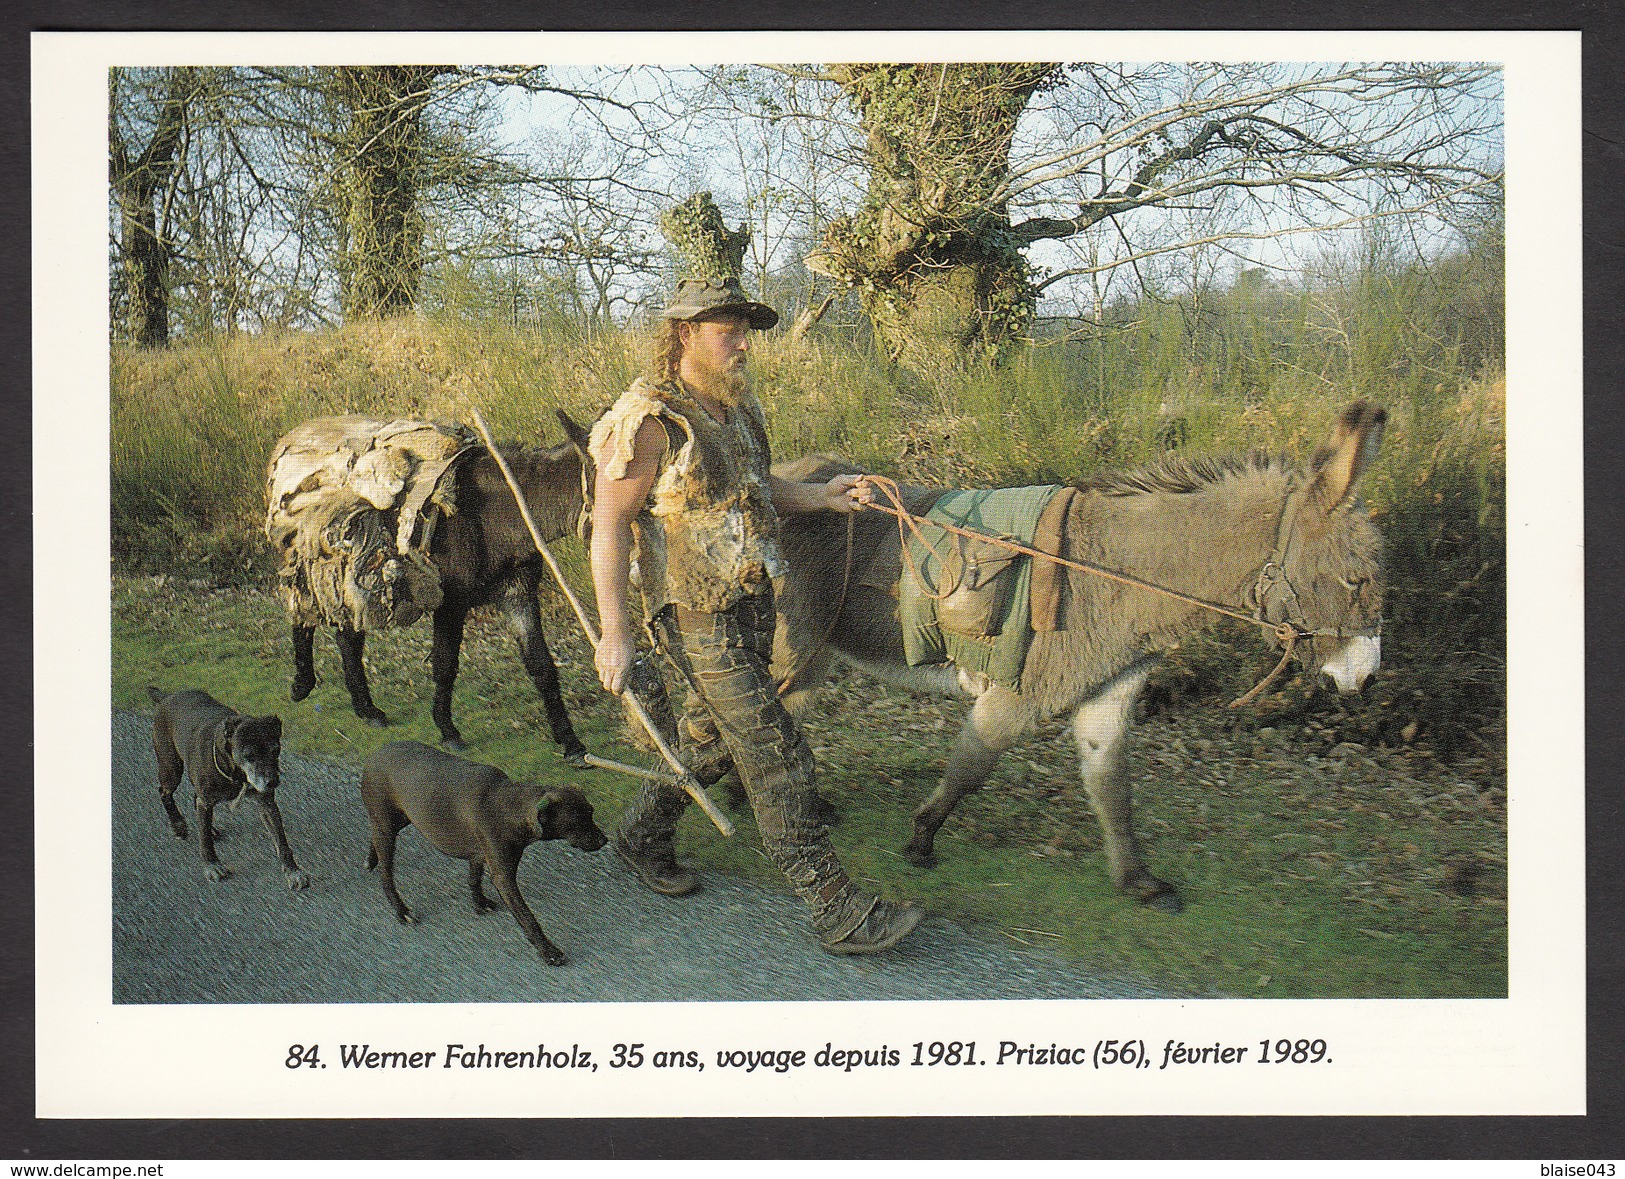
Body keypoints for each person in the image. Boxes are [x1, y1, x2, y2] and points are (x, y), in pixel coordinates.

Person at [587, 275, 923, 956]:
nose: (742, 344)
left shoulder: (737, 412)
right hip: (691, 615)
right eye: (727, 331)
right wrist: (615, 634)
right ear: (684, 334)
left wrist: (823, 496)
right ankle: (837, 909)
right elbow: (610, 525)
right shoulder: (649, 419)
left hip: (751, 603)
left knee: (712, 740)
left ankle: (639, 836)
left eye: (745, 331)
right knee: (775, 752)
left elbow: (756, 489)